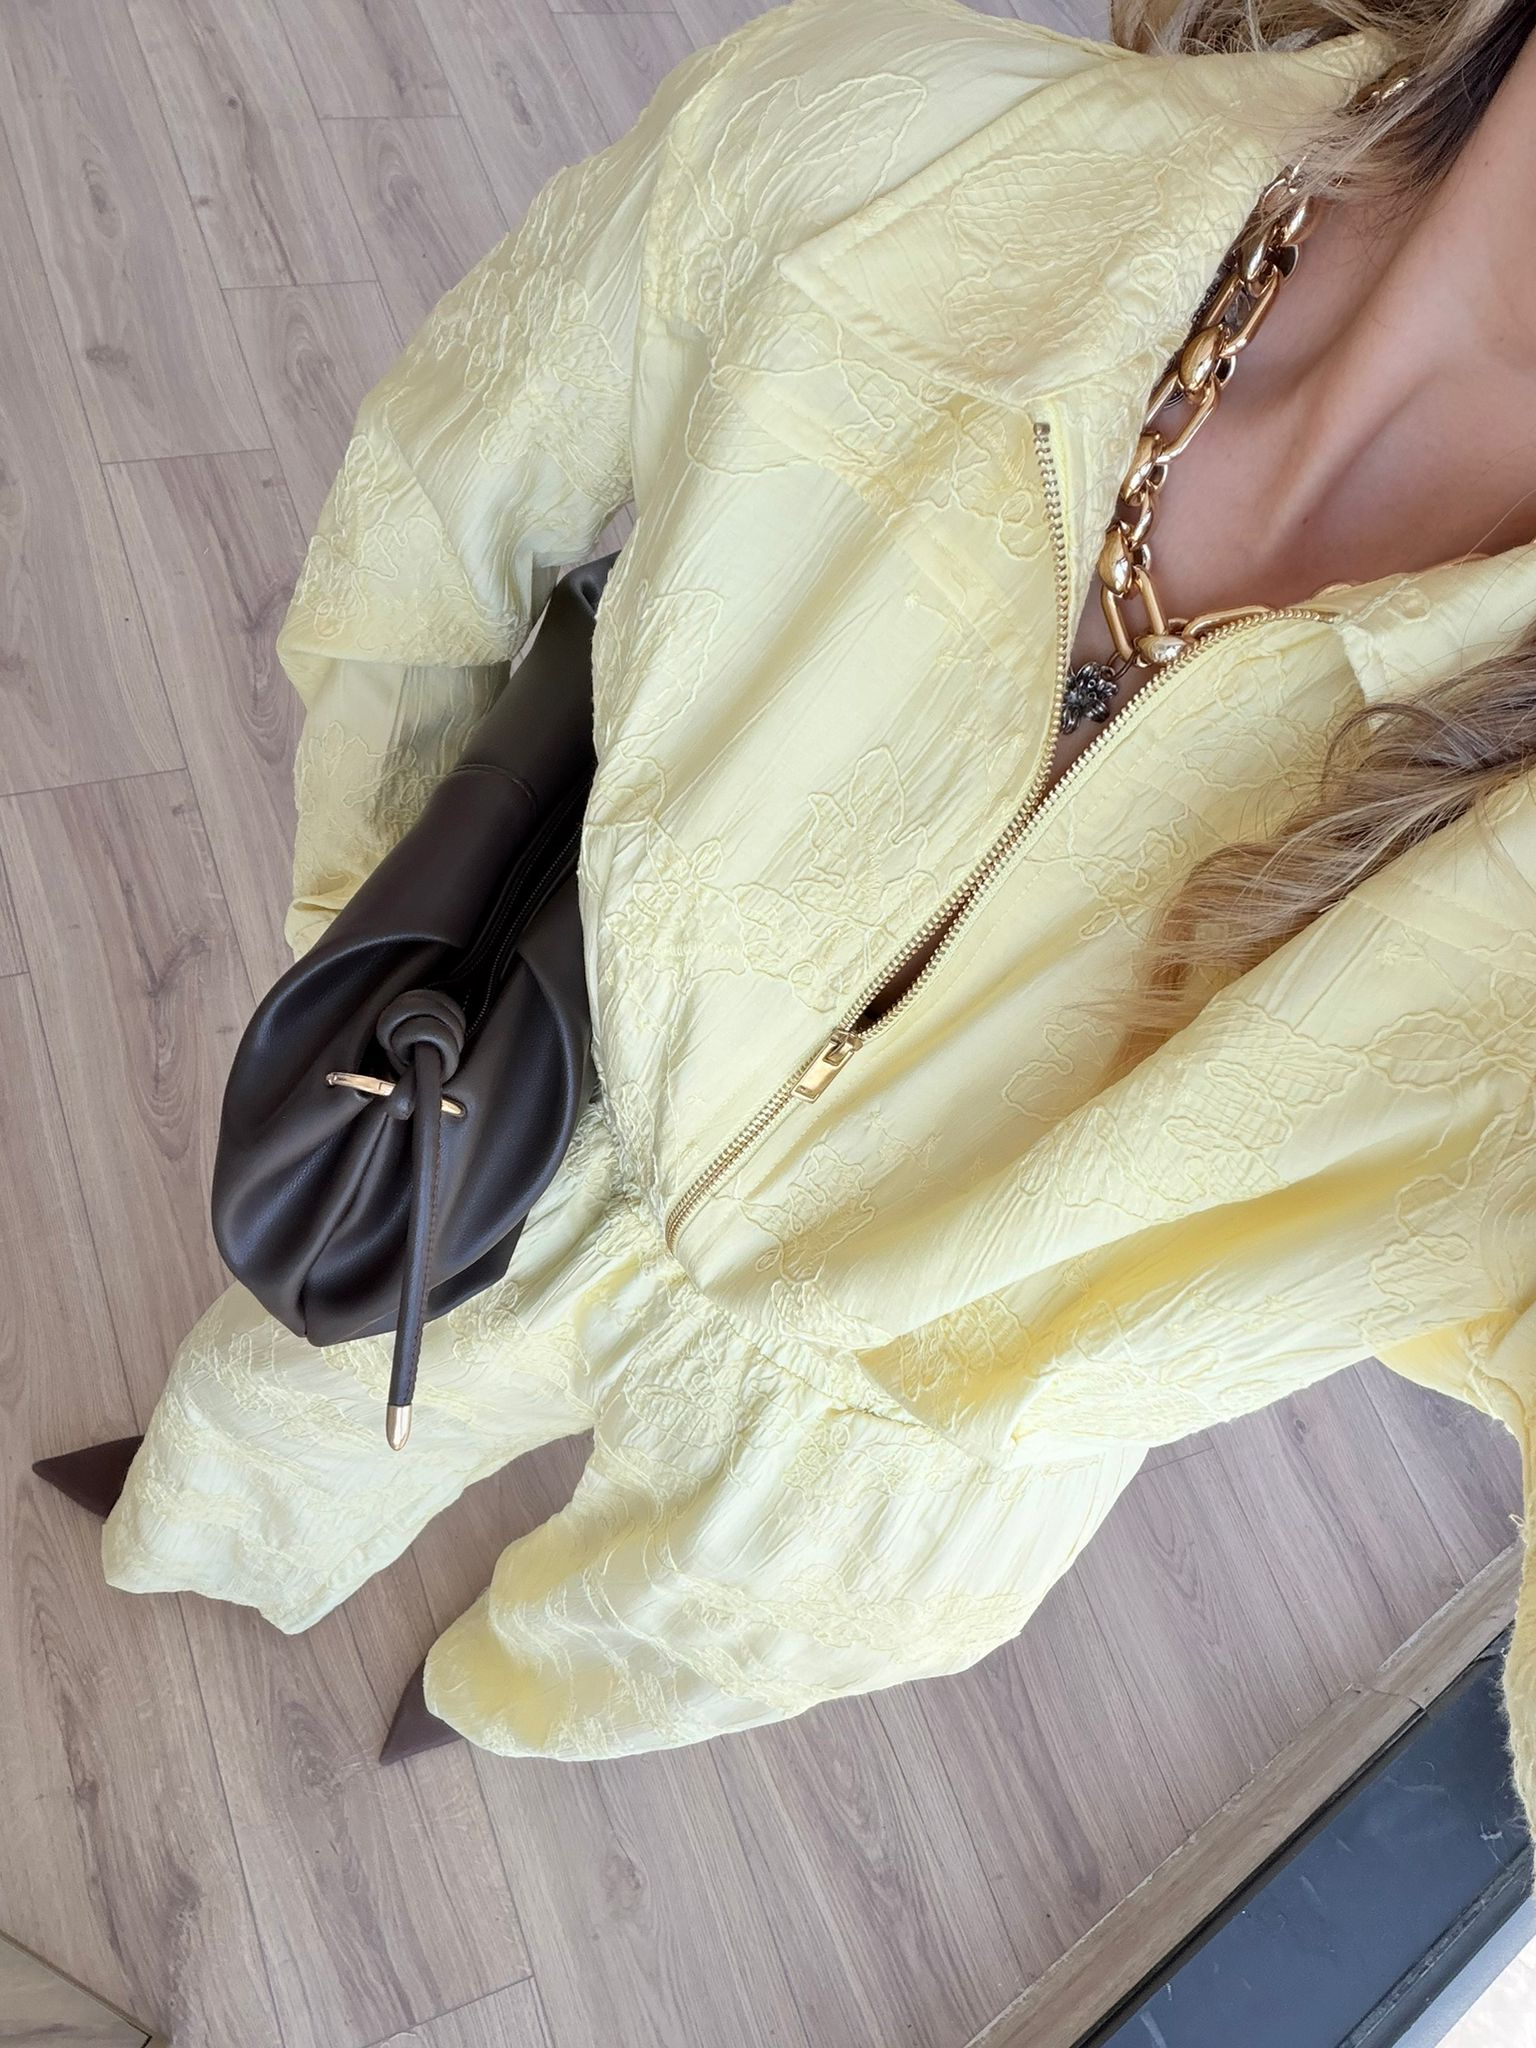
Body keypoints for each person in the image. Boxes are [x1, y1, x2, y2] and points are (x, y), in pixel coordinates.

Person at [35, 0, 1536, 1830]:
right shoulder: (895, 140)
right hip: (517, 1096)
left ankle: (495, 1694)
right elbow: (435, 527)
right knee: (291, 1391)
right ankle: (212, 1540)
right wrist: (391, 958)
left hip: (884, 1477)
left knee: (649, 1641)